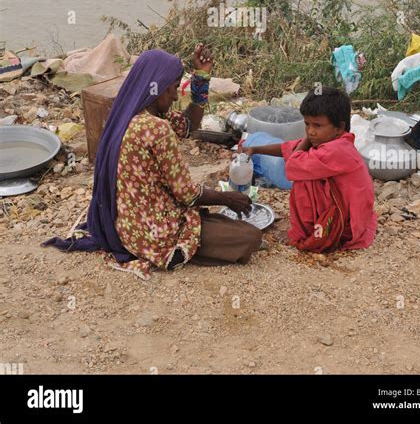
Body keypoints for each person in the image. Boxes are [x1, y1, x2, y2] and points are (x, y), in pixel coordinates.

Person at [43, 44, 261, 279]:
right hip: (154, 233)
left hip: (125, 225)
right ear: (157, 87)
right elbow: (188, 195)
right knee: (250, 237)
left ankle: (197, 236)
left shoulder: (126, 112)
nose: (176, 96)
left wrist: (202, 76)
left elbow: (188, 125)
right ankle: (174, 254)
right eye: (174, 89)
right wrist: (228, 197)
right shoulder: (156, 128)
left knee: (217, 223)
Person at [243, 86, 377, 254]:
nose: (311, 131)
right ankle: (308, 226)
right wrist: (255, 150)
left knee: (304, 178)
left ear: (339, 127)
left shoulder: (338, 150)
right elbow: (290, 148)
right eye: (307, 124)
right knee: (305, 163)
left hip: (345, 226)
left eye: (317, 125)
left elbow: (293, 163)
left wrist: (305, 140)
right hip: (352, 216)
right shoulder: (333, 141)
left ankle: (301, 234)